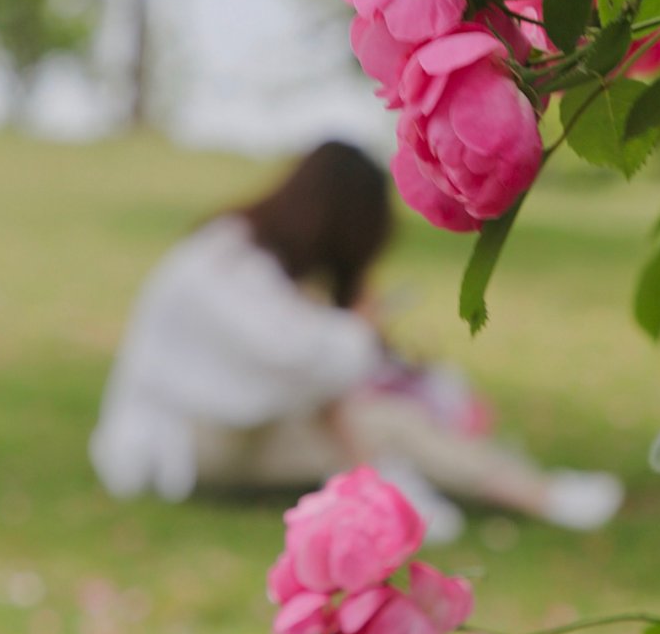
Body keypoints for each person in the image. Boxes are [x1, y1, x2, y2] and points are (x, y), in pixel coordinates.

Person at [90, 141, 623, 539]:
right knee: (386, 423)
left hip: (211, 434)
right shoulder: (226, 265)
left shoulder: (242, 256)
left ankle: (412, 487)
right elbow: (295, 357)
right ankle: (515, 495)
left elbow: (309, 365)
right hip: (181, 448)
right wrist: (361, 329)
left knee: (375, 418)